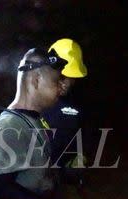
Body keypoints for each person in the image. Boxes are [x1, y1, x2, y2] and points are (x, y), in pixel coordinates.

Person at [0, 42, 87, 199]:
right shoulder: (10, 124)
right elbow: (1, 188)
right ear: (36, 80)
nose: (60, 87)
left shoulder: (34, 120)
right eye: (56, 81)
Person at [42, 39, 88, 184]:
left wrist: (80, 156)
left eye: (70, 76)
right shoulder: (31, 101)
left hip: (57, 176)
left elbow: (85, 134)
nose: (65, 82)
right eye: (61, 76)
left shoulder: (77, 105)